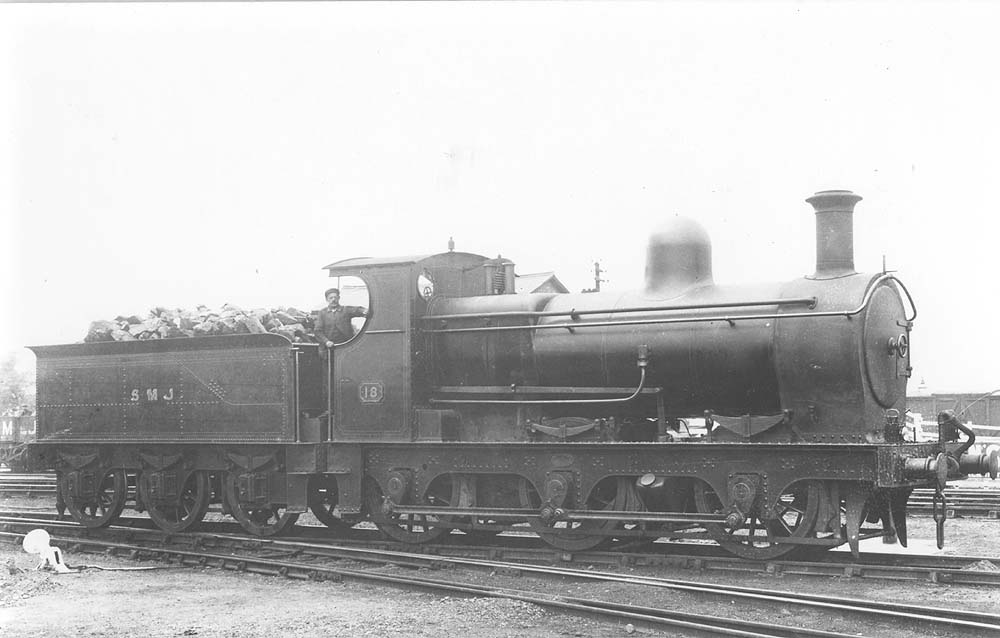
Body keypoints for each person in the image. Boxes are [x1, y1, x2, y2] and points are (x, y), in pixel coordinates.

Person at [314, 288, 368, 355]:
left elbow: (357, 310)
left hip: (345, 347)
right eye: (331, 298)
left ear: (339, 298)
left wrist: (364, 311)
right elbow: (317, 331)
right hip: (328, 349)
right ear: (327, 299)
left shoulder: (345, 310)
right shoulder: (322, 313)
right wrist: (326, 341)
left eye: (335, 297)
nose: (333, 300)